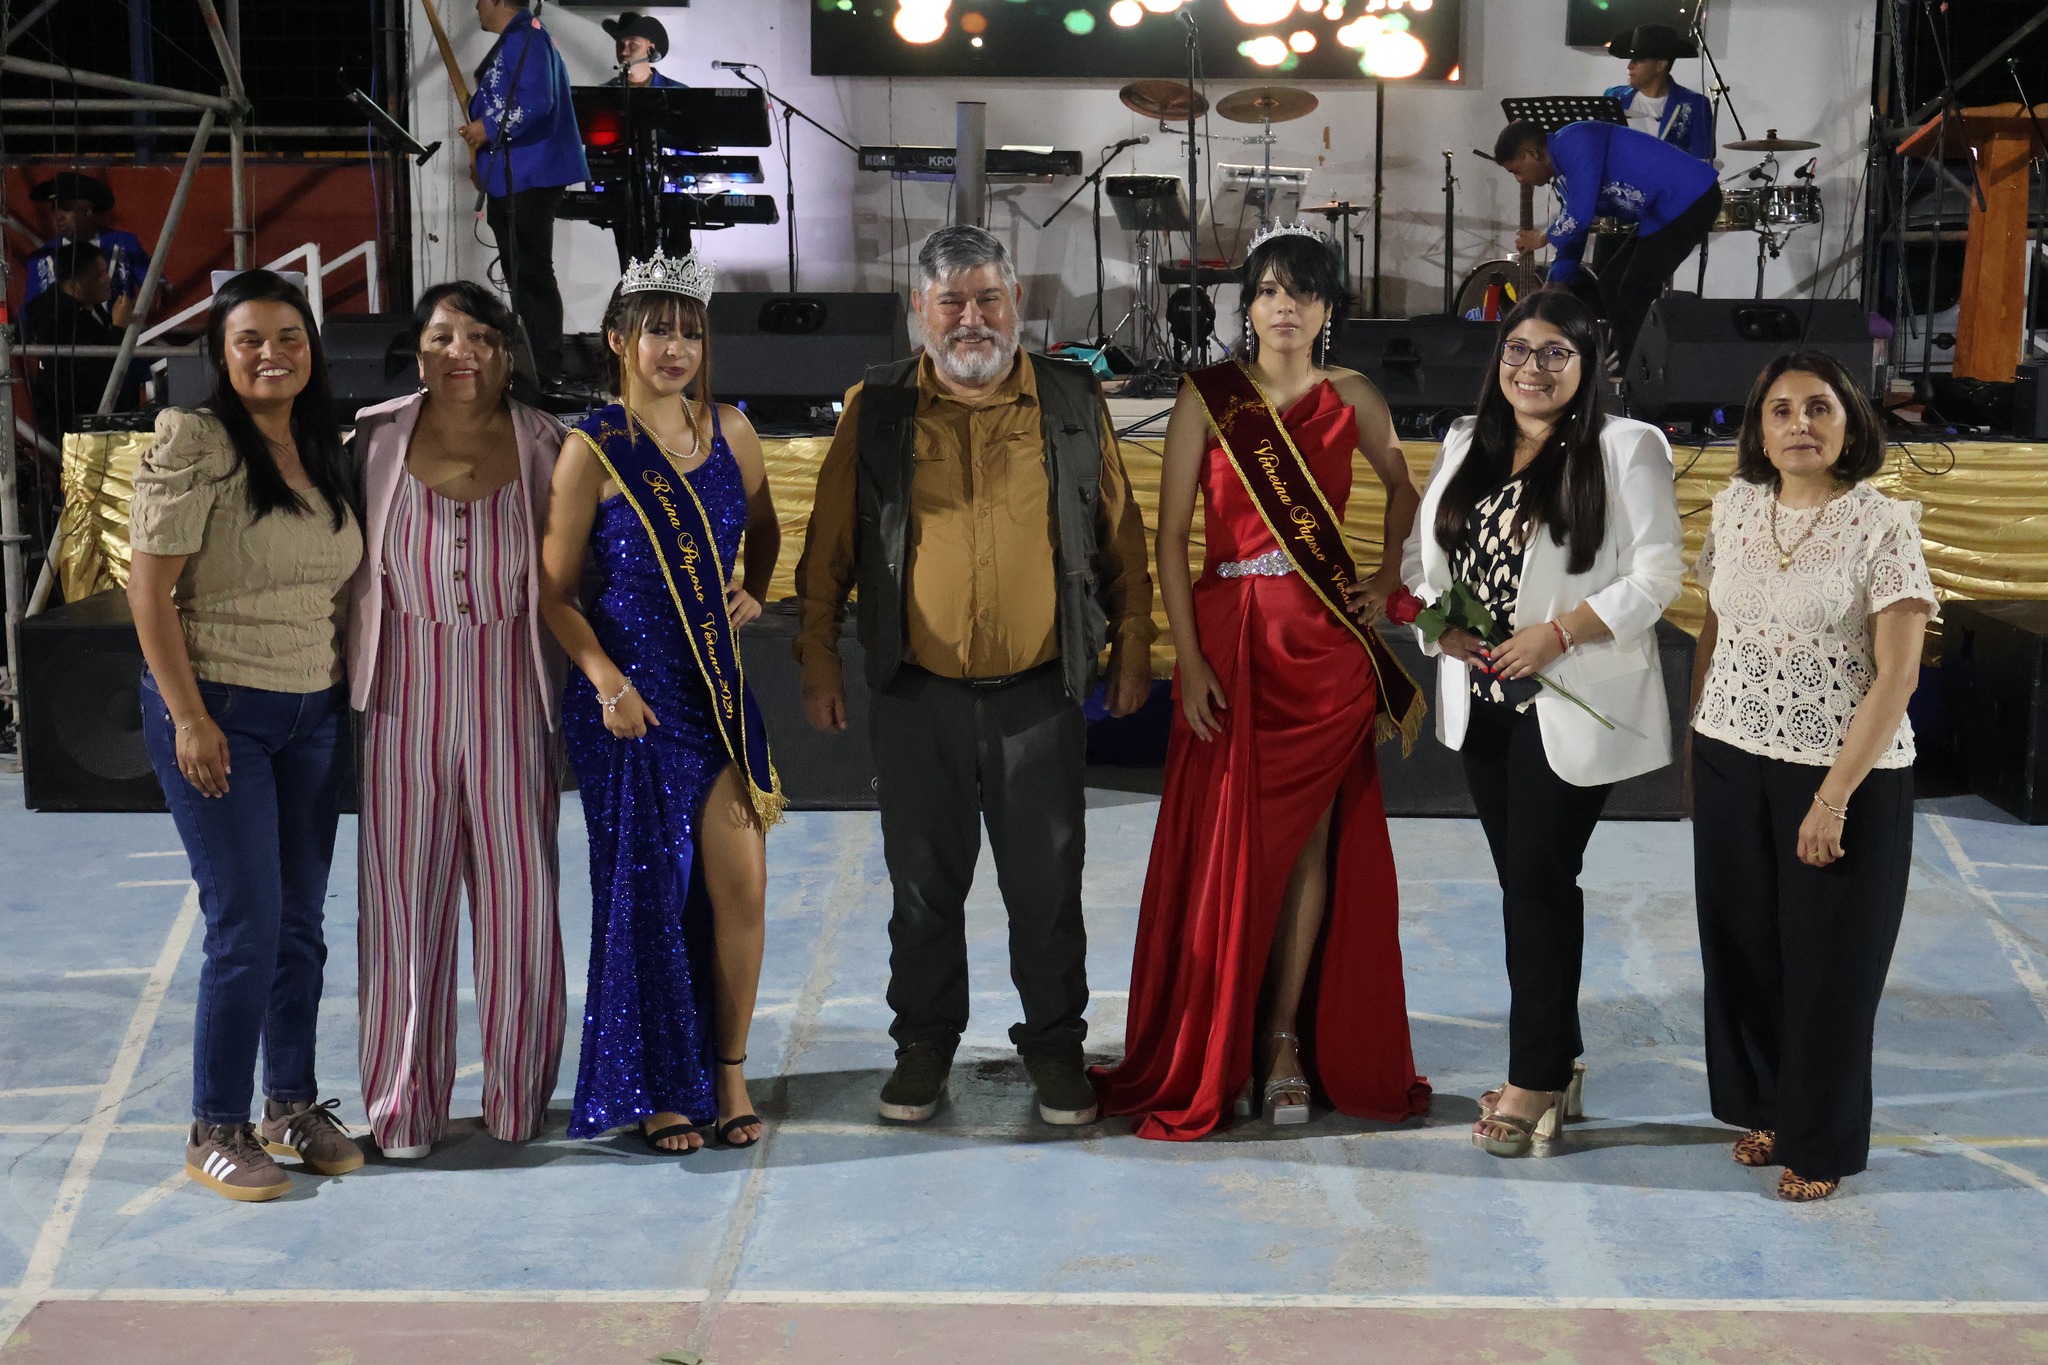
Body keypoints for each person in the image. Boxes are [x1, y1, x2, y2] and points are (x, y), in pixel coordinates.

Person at [792, 224, 1155, 1128]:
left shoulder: (1071, 398)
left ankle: (1055, 1047)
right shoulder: (878, 405)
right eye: (950, 300)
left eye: (988, 297)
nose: (971, 318)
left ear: (1016, 302)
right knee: (921, 888)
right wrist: (817, 656)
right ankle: (923, 1046)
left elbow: (1121, 535)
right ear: (920, 309)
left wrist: (1135, 645)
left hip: (1040, 692)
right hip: (918, 693)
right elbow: (828, 546)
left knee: (1047, 886)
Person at [1092, 224, 1431, 1141]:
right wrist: (1188, 658)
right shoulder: (1209, 397)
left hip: (1324, 651)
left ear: (1327, 308)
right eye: (1270, 290)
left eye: (1303, 292)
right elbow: (1170, 539)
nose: (1285, 307)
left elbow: (1407, 488)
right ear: (1247, 305)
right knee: (1229, 843)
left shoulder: (1352, 393)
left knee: (1309, 845)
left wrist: (1386, 578)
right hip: (1233, 643)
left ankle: (1281, 1036)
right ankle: (1220, 1028)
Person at [1399, 288, 1684, 1158]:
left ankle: (1535, 1078)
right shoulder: (1466, 441)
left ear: (1588, 364)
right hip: (1482, 700)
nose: (1532, 367)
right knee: (1529, 884)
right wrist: (1438, 623)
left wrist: (1559, 634)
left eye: (1556, 352)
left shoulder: (1627, 446)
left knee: (1537, 878)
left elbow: (1657, 576)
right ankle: (1557, 1058)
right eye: (1518, 349)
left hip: (1569, 695)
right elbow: (1420, 559)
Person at [125, 269, 365, 1202]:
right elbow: (149, 592)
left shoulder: (324, 445)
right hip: (220, 709)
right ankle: (215, 1126)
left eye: (289, 337)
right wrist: (188, 715)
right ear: (221, 356)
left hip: (314, 710)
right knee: (247, 924)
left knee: (299, 923)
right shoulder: (199, 443)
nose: (273, 354)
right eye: (250, 340)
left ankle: (289, 1105)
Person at [538, 248, 781, 1155]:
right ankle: (658, 1083)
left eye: (689, 333)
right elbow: (553, 594)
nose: (675, 348)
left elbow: (765, 530)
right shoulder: (592, 449)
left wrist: (755, 589)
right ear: (618, 340)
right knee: (649, 892)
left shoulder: (733, 430)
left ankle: (727, 1069)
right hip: (630, 704)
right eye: (656, 331)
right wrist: (607, 682)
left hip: (713, 692)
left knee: (741, 887)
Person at [1688, 352, 1936, 1202]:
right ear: (1759, 431)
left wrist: (1833, 797)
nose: (1801, 423)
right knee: (1745, 948)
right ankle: (1770, 1108)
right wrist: (1699, 738)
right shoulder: (1735, 507)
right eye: (1782, 410)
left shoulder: (1883, 525)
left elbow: (1898, 675)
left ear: (1849, 421)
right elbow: (1716, 629)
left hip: (1842, 773)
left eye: (1819, 407)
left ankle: (1821, 1140)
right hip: (1729, 754)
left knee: (1831, 964)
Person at [347, 283, 568, 1160]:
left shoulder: (550, 443)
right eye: (442, 335)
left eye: (480, 335)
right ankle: (403, 1107)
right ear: (418, 351)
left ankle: (517, 1099)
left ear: (508, 352)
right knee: (403, 904)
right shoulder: (373, 440)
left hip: (514, 687)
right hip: (402, 691)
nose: (461, 352)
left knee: (522, 904)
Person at [1494, 119, 1721, 370]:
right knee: (1611, 282)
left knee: (1635, 288)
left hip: (1692, 197)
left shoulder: (1574, 140)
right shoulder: (1564, 177)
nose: (1520, 180)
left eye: (1516, 170)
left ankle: (1654, 371)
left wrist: (1542, 237)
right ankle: (1633, 369)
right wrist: (1555, 283)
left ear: (1532, 154)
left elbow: (1578, 218)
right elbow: (1575, 230)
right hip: (1660, 212)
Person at [460, 0, 590, 384]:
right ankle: (533, 365)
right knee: (522, 273)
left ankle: (543, 370)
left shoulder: (526, 37)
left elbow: (535, 101)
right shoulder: (521, 38)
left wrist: (486, 128)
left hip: (531, 174)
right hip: (517, 173)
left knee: (531, 273)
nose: (476, 6)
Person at [22, 241, 140, 440]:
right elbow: (94, 368)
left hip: (103, 419)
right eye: (99, 275)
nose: (108, 279)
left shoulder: (88, 305)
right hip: (75, 425)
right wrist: (118, 328)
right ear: (77, 286)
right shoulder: (57, 319)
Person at [24, 170, 151, 321]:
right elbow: (30, 312)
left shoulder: (124, 243)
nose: (58, 217)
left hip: (118, 333)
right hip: (62, 335)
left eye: (66, 209)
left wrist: (155, 289)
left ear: (87, 210)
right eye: (54, 209)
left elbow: (153, 282)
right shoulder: (41, 258)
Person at [1602, 25, 1714, 160]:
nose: (1629, 66)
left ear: (1661, 65)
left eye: (1638, 60)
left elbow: (1702, 159)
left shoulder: (1695, 104)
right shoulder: (1614, 97)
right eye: (1631, 60)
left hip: (1670, 173)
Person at [603, 11, 683, 88]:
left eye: (633, 45)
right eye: (620, 45)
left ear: (650, 50)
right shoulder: (604, 92)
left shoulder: (677, 92)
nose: (623, 52)